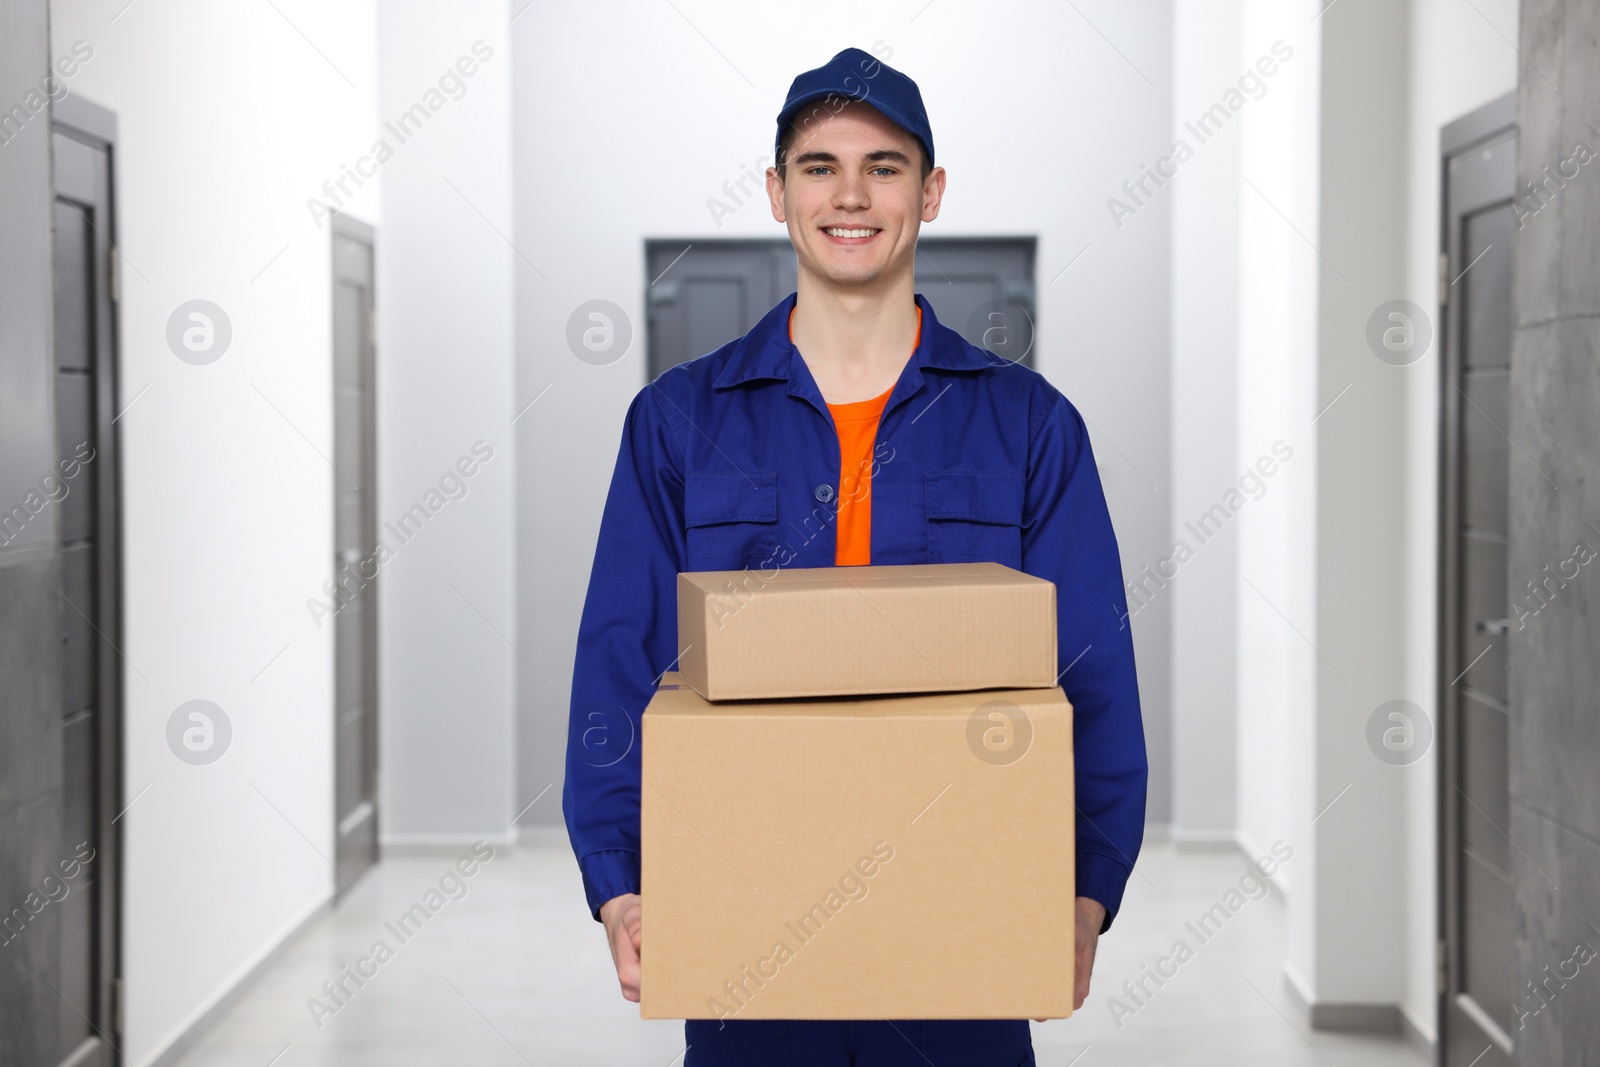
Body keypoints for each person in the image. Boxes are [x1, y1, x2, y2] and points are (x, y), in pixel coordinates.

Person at [563, 46, 1147, 1067]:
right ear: (775, 192)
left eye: (882, 166)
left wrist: (1084, 887)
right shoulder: (678, 422)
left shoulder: (1026, 426)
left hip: (964, 922)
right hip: (746, 924)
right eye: (819, 165)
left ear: (930, 192)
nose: (850, 195)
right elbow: (620, 655)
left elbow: (1090, 671)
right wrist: (620, 877)